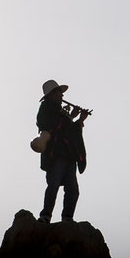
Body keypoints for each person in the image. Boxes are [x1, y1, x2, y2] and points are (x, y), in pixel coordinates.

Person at [36, 79, 89, 223]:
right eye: (59, 93)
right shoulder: (46, 107)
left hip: (69, 155)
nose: (62, 96)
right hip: (56, 154)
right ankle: (45, 216)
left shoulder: (60, 112)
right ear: (52, 94)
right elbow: (49, 124)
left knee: (73, 189)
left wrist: (78, 119)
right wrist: (69, 116)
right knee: (53, 185)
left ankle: (67, 218)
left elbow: (69, 130)